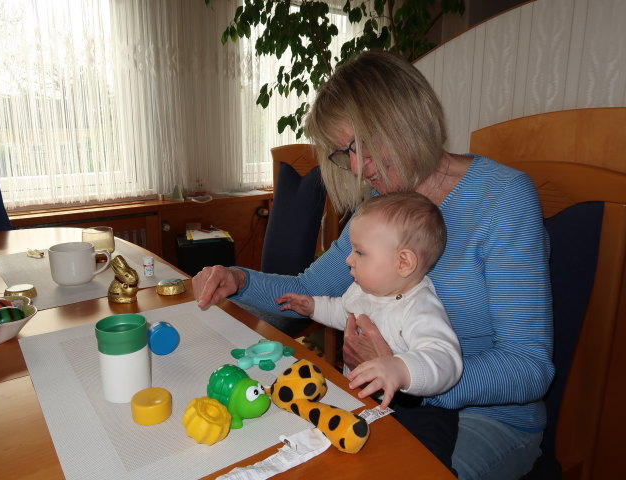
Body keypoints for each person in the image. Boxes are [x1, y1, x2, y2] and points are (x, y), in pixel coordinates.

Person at [193, 50, 554, 480]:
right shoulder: (382, 210)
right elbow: (309, 288)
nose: (356, 169)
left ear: (404, 121)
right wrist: (238, 279)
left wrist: (407, 375)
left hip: (486, 419)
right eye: (344, 153)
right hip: (383, 401)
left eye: (359, 148)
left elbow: (529, 366)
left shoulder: (503, 199)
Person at [276, 192, 462, 411]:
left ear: (403, 262)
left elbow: (445, 360)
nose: (348, 259)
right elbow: (343, 312)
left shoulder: (420, 307)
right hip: (356, 395)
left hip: (402, 410)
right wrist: (313, 307)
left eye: (359, 252)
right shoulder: (363, 290)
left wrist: (400, 369)